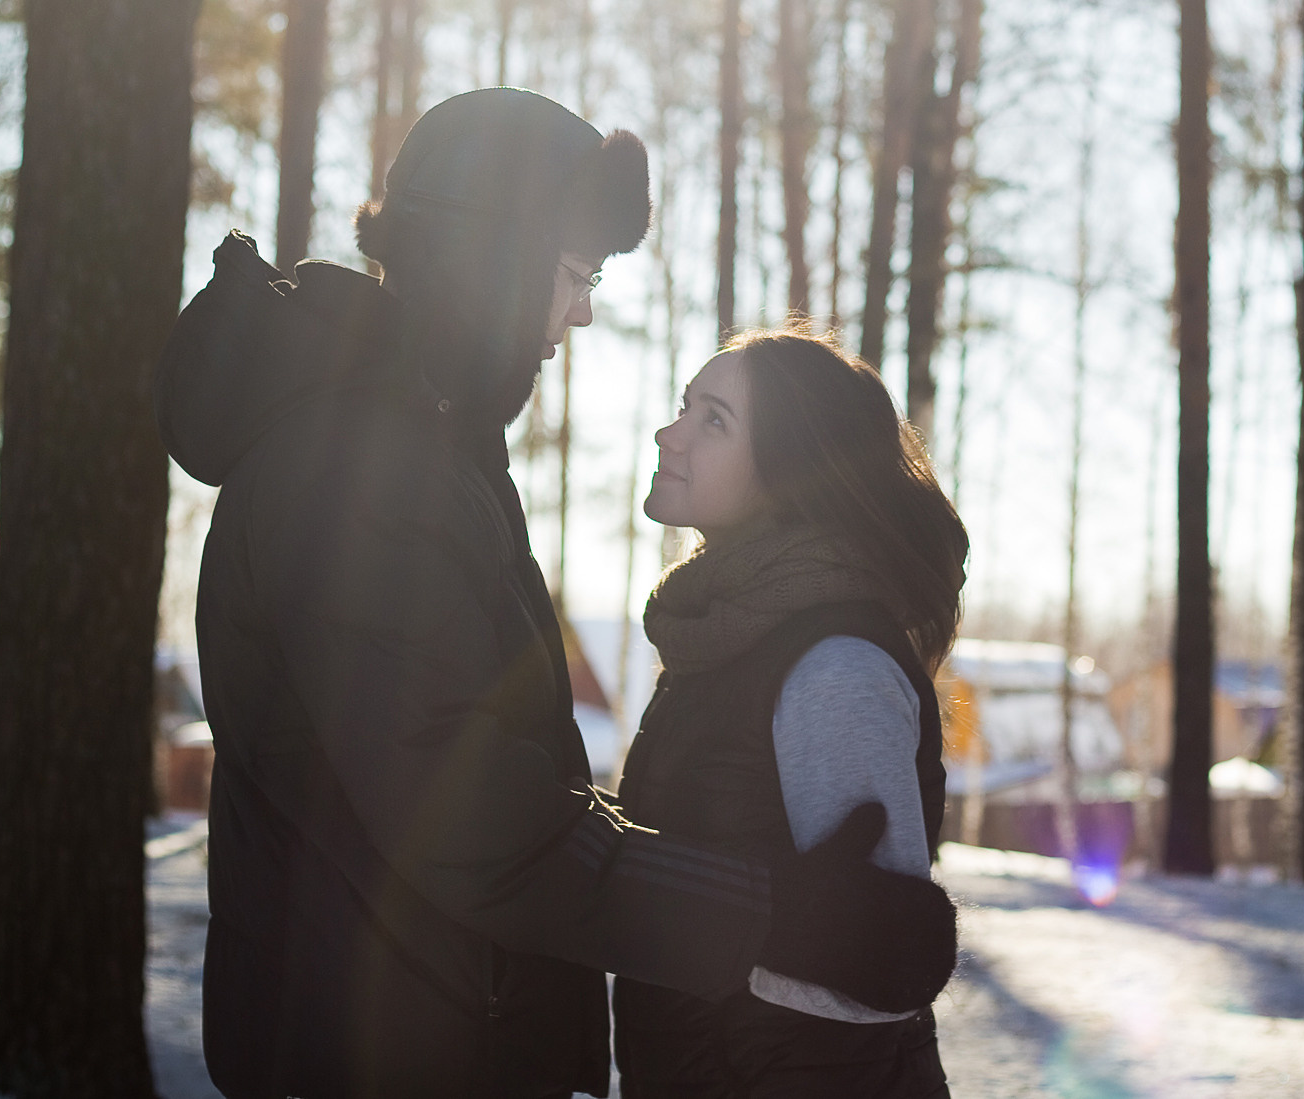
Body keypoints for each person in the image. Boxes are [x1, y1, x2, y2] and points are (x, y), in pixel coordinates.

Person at [157, 90, 955, 1099]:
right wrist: (769, 914)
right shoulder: (356, 471)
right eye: (574, 274)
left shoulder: (424, 451)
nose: (580, 310)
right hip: (384, 1054)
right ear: (490, 263)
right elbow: (466, 809)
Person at [615, 327, 969, 1099]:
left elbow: (880, 962)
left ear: (788, 470)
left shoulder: (834, 662)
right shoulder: (730, 634)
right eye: (685, 408)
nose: (668, 433)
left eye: (713, 420)